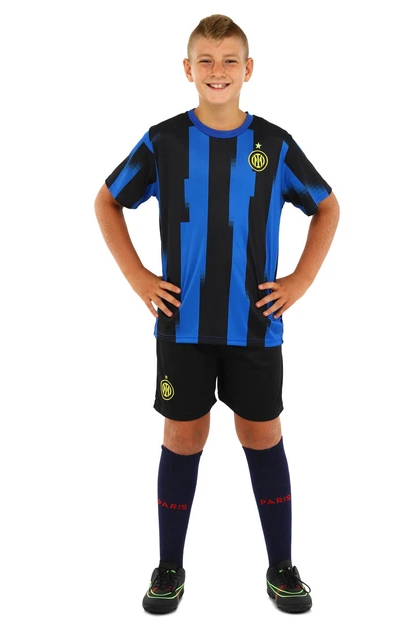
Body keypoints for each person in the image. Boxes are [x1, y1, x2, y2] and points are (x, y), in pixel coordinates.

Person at [94, 14, 339, 614]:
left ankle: (281, 567)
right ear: (187, 69)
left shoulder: (274, 145)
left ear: (248, 69)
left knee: (262, 434)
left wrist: (302, 279)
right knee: (183, 435)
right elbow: (107, 200)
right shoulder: (164, 141)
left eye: (229, 60)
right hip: (182, 325)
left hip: (255, 325)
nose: (217, 71)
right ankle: (168, 567)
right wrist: (138, 277)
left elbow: (327, 206)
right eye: (205, 60)